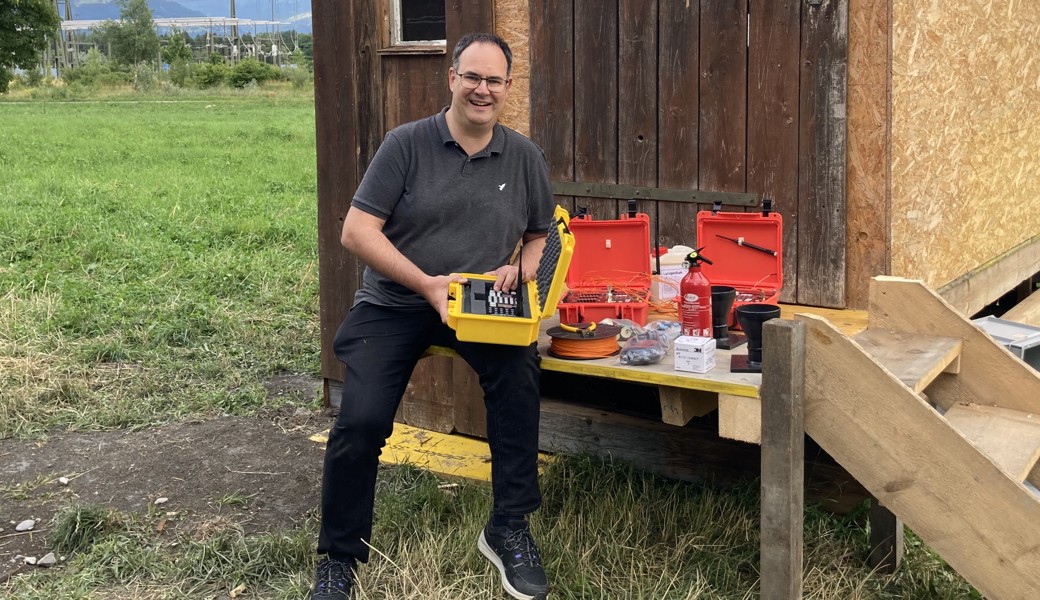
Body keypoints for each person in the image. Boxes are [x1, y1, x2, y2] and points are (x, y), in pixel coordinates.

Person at [310, 32, 553, 600]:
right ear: (452, 77)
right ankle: (339, 560)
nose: (482, 89)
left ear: (508, 87)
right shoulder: (406, 144)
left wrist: (520, 267)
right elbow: (356, 231)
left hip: (478, 302)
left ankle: (508, 527)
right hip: (397, 300)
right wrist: (423, 283)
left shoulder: (524, 157)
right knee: (362, 419)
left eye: (494, 80)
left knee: (519, 381)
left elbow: (541, 234)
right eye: (472, 76)